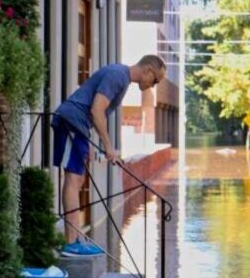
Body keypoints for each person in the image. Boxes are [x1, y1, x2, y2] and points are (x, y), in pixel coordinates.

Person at [52, 55, 166, 256]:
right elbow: (97, 110)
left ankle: (76, 238)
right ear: (148, 70)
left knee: (77, 181)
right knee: (72, 179)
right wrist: (109, 147)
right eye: (155, 80)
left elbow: (96, 113)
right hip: (71, 122)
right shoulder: (118, 75)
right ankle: (71, 243)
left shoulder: (121, 79)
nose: (153, 85)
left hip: (79, 126)